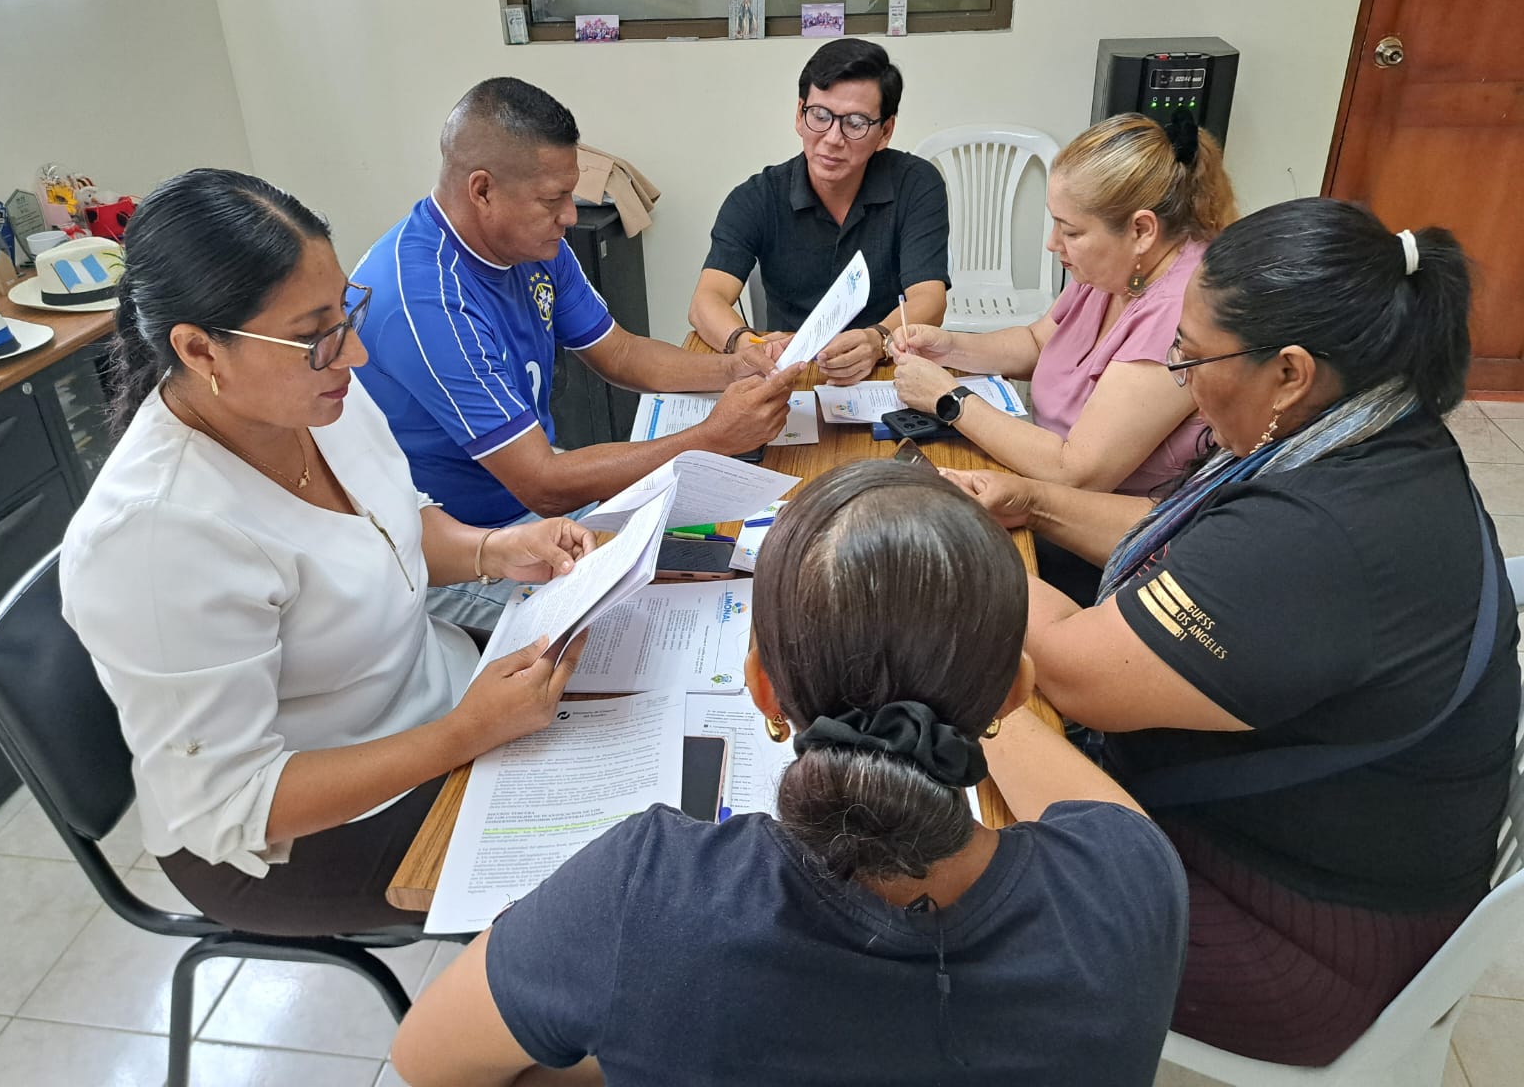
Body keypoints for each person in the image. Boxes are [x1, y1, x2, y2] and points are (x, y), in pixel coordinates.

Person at [944, 197, 1522, 1066]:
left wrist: (936, 560)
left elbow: (1066, 670)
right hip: (1304, 849)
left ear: (1288, 373)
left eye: (1190, 356)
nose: (1180, 377)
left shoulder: (1323, 535)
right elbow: (1191, 542)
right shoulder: (1370, 434)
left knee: (944, 844)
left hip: (1300, 943)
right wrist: (1034, 505)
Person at [389, 461, 1190, 1087]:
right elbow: (1107, 815)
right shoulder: (1130, 884)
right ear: (1016, 693)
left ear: (763, 689)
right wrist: (965, 684)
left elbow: (427, 1062)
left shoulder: (644, 897)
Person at [61, 169, 593, 936]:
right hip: (304, 832)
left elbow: (388, 525)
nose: (355, 353)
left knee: (626, 703)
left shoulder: (315, 392)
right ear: (200, 350)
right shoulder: (153, 540)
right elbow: (236, 801)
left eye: (346, 312)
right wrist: (464, 735)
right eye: (314, 333)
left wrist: (496, 549)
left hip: (437, 697)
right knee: (594, 891)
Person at [352, 78, 801, 627]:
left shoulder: (532, 246)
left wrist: (734, 366)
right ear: (482, 190)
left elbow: (621, 352)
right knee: (654, 621)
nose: (570, 215)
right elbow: (542, 482)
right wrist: (712, 438)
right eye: (552, 199)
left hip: (536, 510)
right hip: (467, 550)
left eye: (571, 193)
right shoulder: (425, 301)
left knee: (732, 561)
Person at [893, 111, 1234, 600]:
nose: (1053, 244)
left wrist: (950, 399)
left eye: (1070, 231)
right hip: (1040, 495)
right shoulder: (1121, 269)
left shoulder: (1181, 309)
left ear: (1141, 230)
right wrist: (949, 345)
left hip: (1111, 551)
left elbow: (1077, 471)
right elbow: (1038, 342)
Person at [688, 38, 950, 386]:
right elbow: (707, 300)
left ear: (885, 131)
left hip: (888, 367)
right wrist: (745, 342)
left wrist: (877, 340)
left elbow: (929, 298)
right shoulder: (757, 198)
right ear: (799, 115)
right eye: (820, 116)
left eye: (855, 123)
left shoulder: (916, 184)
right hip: (790, 371)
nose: (832, 138)